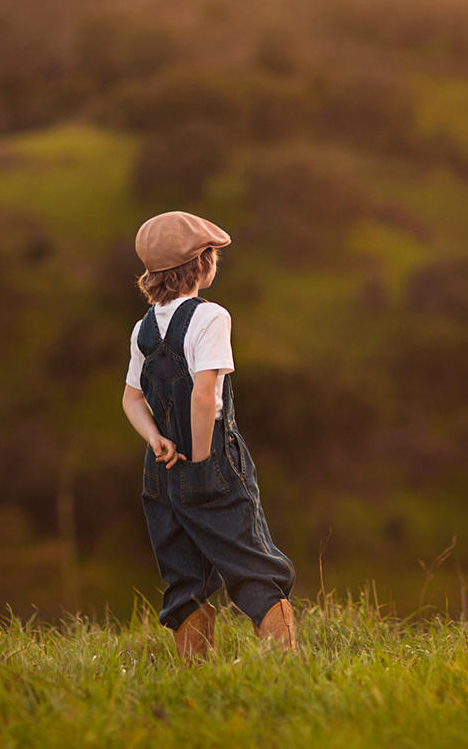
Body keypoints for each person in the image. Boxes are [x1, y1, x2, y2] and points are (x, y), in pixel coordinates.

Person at [121, 210, 297, 661]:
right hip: (210, 455)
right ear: (201, 263)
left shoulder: (142, 329)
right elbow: (204, 397)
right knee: (257, 567)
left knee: (184, 577)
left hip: (160, 467)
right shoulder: (210, 317)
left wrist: (156, 440)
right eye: (213, 255)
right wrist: (201, 460)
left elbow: (132, 399)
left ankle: (193, 676)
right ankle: (286, 672)